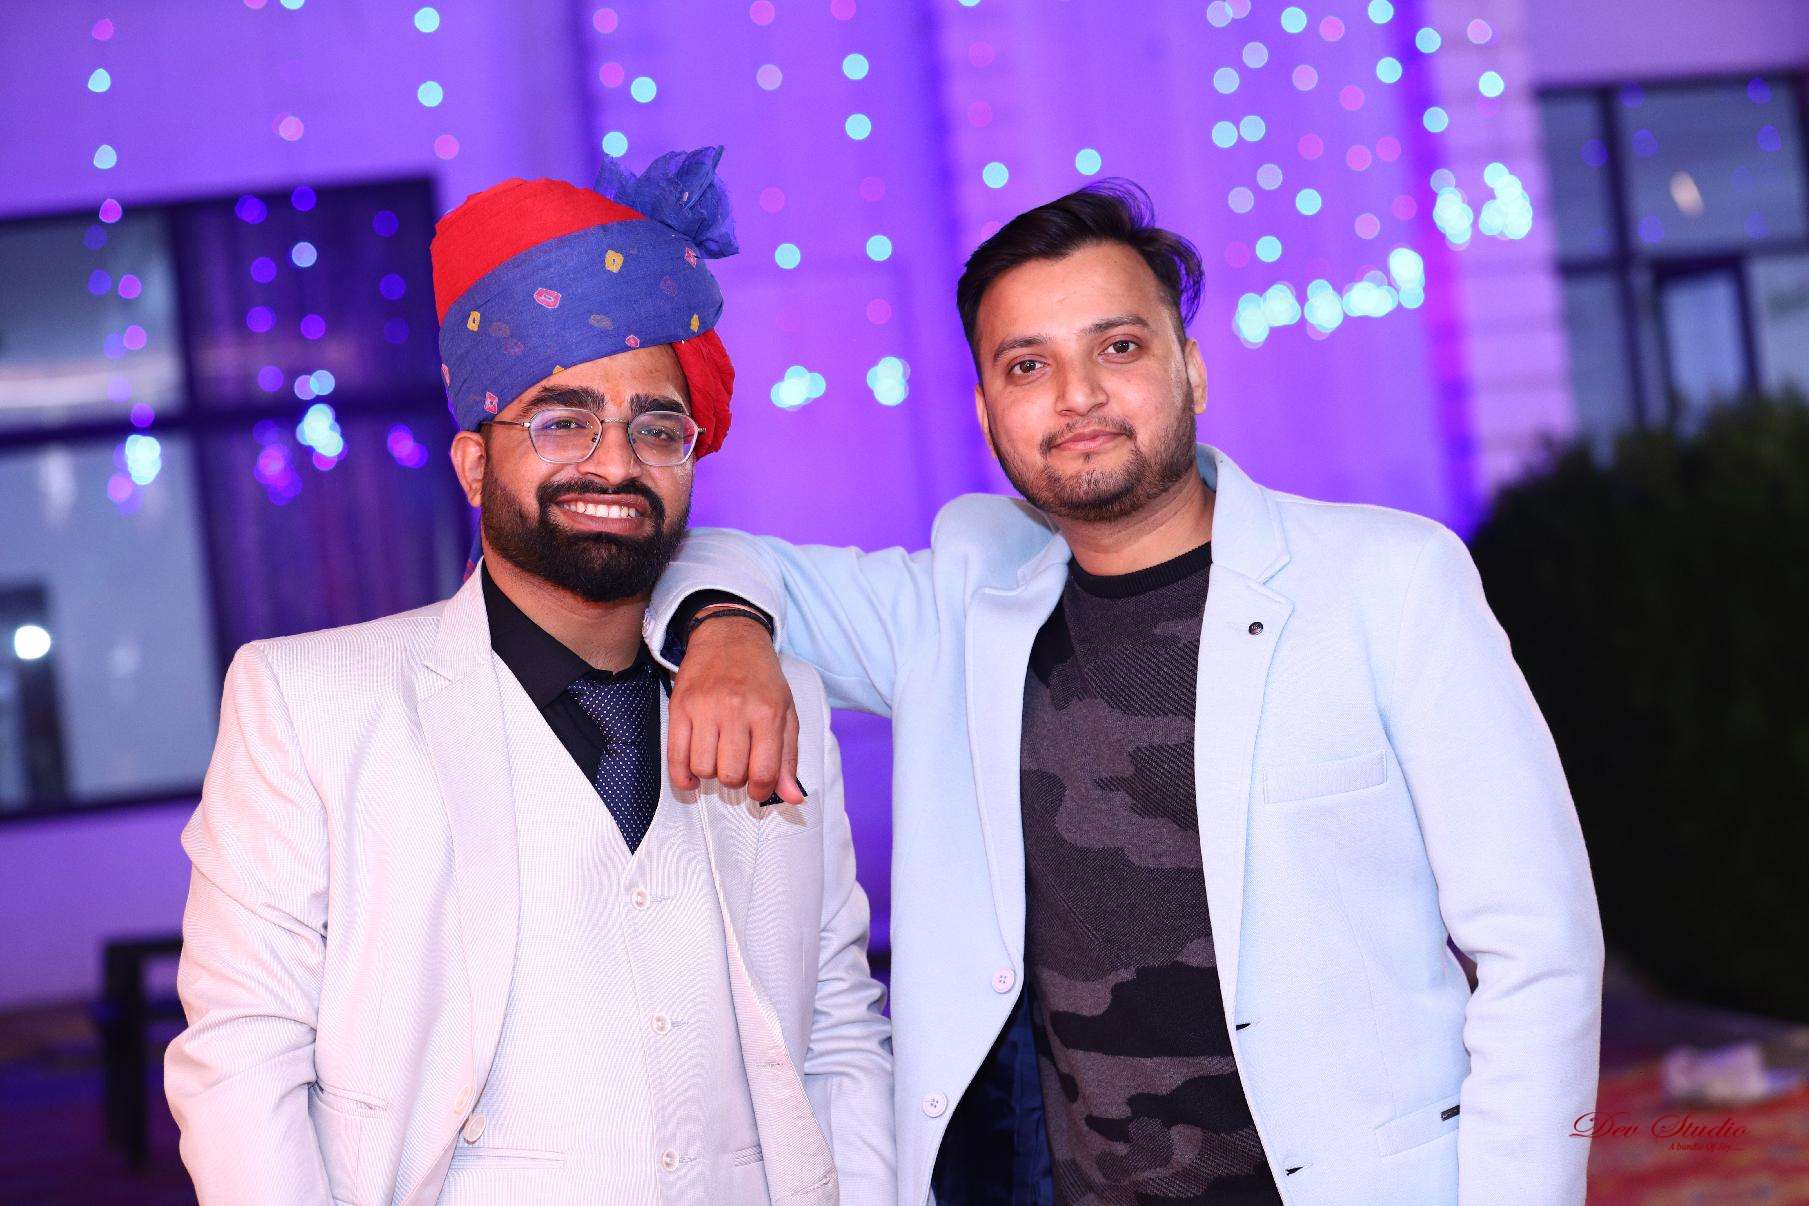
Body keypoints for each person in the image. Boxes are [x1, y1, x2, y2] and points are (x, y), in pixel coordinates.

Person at [649, 182, 1604, 1204]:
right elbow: (696, 552)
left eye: (1117, 347)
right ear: (985, 413)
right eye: (1028, 366)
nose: (1077, 396)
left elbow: (1537, 951)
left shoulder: (1386, 581)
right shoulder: (958, 606)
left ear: (1191, 368)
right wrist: (727, 628)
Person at [163, 147, 893, 1206]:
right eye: (562, 421)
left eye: (657, 427)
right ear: (474, 464)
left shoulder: (782, 705)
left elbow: (836, 1030)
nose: (615, 461)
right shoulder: (310, 706)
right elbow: (241, 1061)